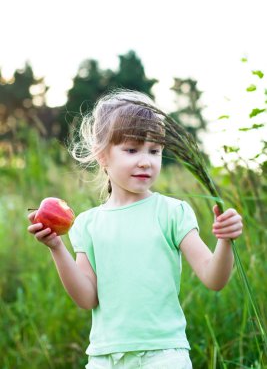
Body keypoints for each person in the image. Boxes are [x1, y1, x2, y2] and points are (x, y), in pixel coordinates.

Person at [27, 89, 243, 369]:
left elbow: (214, 279)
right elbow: (86, 298)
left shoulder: (172, 212)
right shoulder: (88, 224)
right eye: (131, 149)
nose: (146, 161)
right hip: (105, 357)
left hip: (165, 355)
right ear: (102, 155)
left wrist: (225, 241)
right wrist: (57, 248)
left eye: (155, 151)